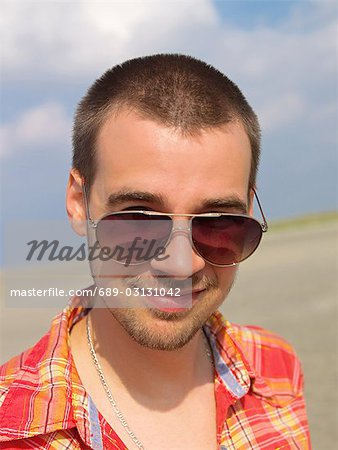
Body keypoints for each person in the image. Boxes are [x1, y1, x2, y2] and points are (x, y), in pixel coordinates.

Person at [0, 54, 311, 449]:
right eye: (138, 218)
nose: (181, 263)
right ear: (79, 202)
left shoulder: (276, 370)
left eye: (218, 221)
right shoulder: (13, 431)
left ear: (249, 212)